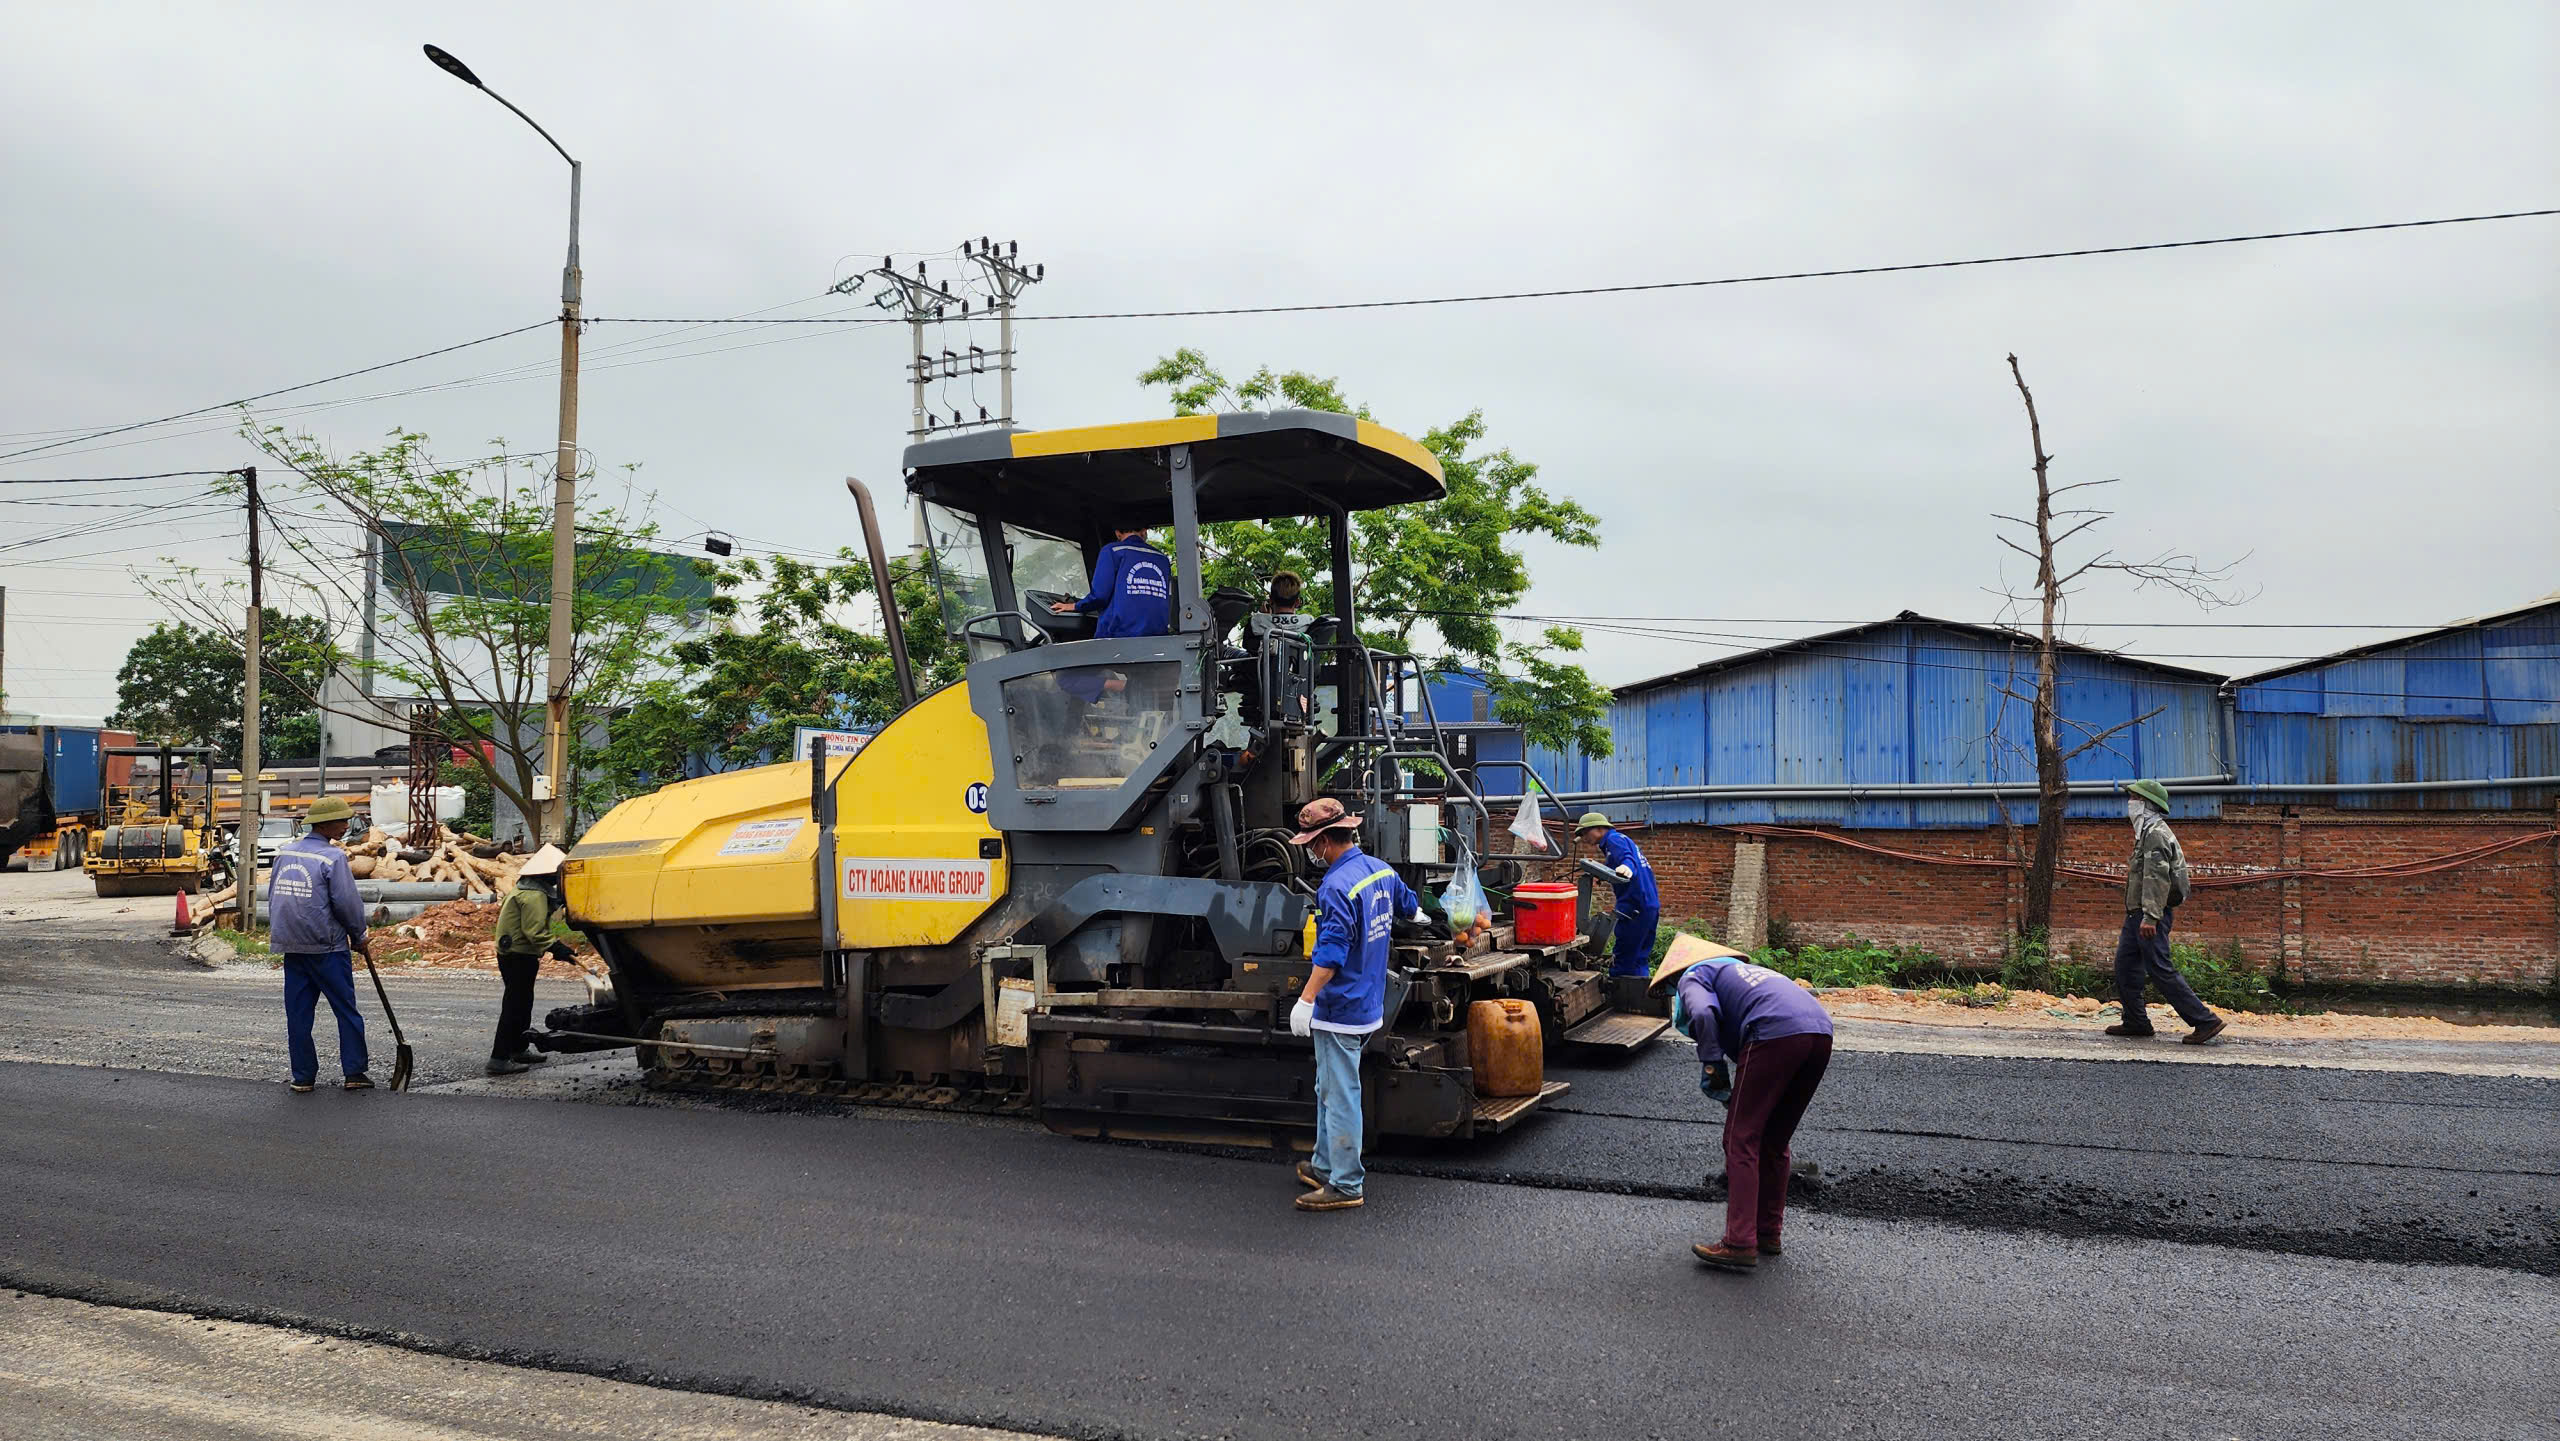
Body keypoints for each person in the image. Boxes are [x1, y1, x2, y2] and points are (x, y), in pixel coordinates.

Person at [1650, 933, 1835, 1272]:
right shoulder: (1741, 973)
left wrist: (1712, 1064)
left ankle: (1739, 1242)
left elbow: (1704, 1014)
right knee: (1775, 1140)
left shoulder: (1694, 975)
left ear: (1676, 976)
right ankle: (1768, 1233)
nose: (1674, 998)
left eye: (1668, 992)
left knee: (1740, 1138)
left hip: (1773, 1032)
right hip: (1820, 1031)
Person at [1287, 796, 1420, 1213]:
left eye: (1312, 844)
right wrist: (1418, 915)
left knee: (1340, 1093)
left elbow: (1330, 953)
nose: (1311, 852)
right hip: (1367, 1003)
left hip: (1339, 1008)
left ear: (1326, 841)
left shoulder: (1336, 885)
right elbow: (1408, 904)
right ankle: (1325, 1164)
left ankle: (1345, 1184)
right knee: (1329, 1086)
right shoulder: (1379, 869)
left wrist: (1305, 1000)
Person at [265, 795, 372, 1093]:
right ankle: (354, 1072)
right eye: (342, 820)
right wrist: (359, 934)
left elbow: (275, 897)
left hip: (292, 944)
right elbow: (346, 903)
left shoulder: (285, 854)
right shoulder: (333, 857)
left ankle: (303, 1077)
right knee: (346, 1010)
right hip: (326, 946)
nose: (346, 825)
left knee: (298, 1014)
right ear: (327, 824)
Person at [2108, 779, 2225, 1045]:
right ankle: (2136, 1021)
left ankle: (2204, 1020)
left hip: (2150, 915)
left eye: (2135, 800)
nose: (2130, 804)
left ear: (2147, 805)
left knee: (2160, 968)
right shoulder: (2148, 831)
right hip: (2137, 913)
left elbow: (2156, 878)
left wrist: (2151, 916)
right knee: (2125, 966)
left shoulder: (2155, 835)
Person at [1051, 521, 1173, 703]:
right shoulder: (1162, 559)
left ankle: (1122, 687)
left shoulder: (1113, 551)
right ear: (1144, 531)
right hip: (1156, 643)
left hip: (1117, 642)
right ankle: (1132, 691)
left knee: (1065, 675)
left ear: (1117, 533)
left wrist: (1074, 606)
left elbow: (1099, 596)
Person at [487, 844, 577, 1076]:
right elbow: (533, 931)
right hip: (519, 955)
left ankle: (518, 1048)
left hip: (516, 953)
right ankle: (499, 1058)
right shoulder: (534, 895)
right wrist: (557, 948)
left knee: (522, 1003)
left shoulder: (525, 889)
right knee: (515, 1006)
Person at [1575, 812, 1660, 979]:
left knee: (1624, 958)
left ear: (1599, 829)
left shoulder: (1613, 840)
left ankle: (1620, 997)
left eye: (1585, 832)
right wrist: (1603, 874)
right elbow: (1621, 860)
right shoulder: (1620, 840)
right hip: (1648, 905)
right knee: (1639, 957)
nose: (1584, 838)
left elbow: (1628, 860)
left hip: (1634, 908)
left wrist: (1627, 868)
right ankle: (1643, 994)